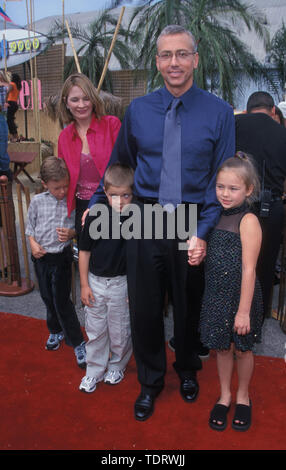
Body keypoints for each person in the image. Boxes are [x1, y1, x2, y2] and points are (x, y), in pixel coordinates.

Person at [88, 25, 235, 421]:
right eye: (167, 55)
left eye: (182, 54)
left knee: (189, 304)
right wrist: (97, 203)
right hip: (145, 216)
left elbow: (221, 178)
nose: (175, 62)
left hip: (192, 218)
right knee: (146, 307)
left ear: (195, 59)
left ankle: (187, 367)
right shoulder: (137, 111)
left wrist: (202, 231)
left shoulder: (219, 112)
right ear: (157, 61)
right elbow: (119, 165)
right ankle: (150, 381)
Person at [200, 153, 263, 432]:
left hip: (241, 298)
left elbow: (249, 269)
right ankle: (225, 394)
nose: (225, 194)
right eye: (220, 187)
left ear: (248, 190)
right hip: (216, 294)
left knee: (242, 349)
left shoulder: (248, 220)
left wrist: (244, 311)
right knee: (222, 349)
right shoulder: (214, 216)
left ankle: (243, 396)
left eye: (233, 188)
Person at [26, 156, 86, 368]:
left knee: (62, 300)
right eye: (57, 187)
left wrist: (71, 233)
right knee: (47, 298)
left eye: (65, 187)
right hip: (41, 258)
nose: (62, 192)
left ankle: (77, 342)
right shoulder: (36, 202)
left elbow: (78, 227)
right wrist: (33, 243)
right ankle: (55, 330)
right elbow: (30, 228)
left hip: (61, 258)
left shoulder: (71, 201)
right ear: (44, 183)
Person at [78, 162, 133, 393]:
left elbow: (137, 259)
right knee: (95, 330)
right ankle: (94, 370)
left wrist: (133, 288)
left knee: (120, 329)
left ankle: (117, 365)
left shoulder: (136, 221)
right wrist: (83, 285)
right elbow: (84, 251)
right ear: (105, 194)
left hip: (122, 284)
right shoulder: (94, 218)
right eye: (113, 195)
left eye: (126, 195)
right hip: (95, 283)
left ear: (133, 194)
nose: (119, 201)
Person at [235, 91, 286, 318]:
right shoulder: (282, 132)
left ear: (247, 110)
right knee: (264, 266)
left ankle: (234, 312)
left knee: (235, 262)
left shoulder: (235, 124)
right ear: (273, 110)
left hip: (237, 206)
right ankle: (259, 315)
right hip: (272, 208)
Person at [57, 73, 121, 244]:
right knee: (86, 258)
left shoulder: (112, 125)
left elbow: (125, 167)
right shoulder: (64, 137)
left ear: (93, 99)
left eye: (86, 98)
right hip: (82, 207)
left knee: (113, 262)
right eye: (75, 99)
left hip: (114, 203)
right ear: (66, 102)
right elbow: (63, 177)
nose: (81, 105)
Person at [6, 73, 21, 142]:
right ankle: (16, 136)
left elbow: (7, 92)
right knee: (11, 120)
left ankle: (13, 136)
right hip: (15, 103)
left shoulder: (12, 84)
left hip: (10, 103)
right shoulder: (17, 86)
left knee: (9, 120)